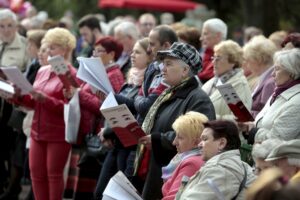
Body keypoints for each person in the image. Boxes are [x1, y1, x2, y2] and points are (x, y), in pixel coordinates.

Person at [137, 42, 216, 200]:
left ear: (185, 70)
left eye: (168, 64)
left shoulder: (198, 99)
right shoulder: (170, 92)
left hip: (173, 172)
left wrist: (159, 139)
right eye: (163, 64)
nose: (162, 69)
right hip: (156, 166)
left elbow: (199, 135)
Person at [11, 27, 80, 200]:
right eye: (47, 47)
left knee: (54, 176)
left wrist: (44, 99)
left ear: (64, 50)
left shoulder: (72, 73)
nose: (47, 51)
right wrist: (16, 97)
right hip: (37, 131)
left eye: (52, 47)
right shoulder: (42, 71)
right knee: (36, 175)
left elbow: (70, 107)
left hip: (58, 132)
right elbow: (33, 102)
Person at [94, 37, 152, 199]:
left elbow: (137, 112)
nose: (132, 55)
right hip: (116, 142)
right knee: (100, 192)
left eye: (138, 52)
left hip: (131, 147)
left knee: (119, 195)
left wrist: (108, 130)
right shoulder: (129, 80)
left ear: (149, 57)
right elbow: (116, 110)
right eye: (132, 51)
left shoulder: (149, 84)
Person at [176, 120, 255, 200]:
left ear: (221, 143)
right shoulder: (227, 166)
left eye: (205, 139)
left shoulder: (221, 170)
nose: (199, 145)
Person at [0, 8, 29, 196]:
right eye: (2, 26)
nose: (6, 30)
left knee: (12, 147)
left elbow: (27, 74)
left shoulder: (25, 45)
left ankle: (13, 185)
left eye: (10, 26)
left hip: (14, 105)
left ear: (16, 26)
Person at [244, 48, 300, 144]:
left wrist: (252, 132)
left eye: (277, 69)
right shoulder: (279, 92)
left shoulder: (297, 102)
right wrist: (248, 126)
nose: (272, 74)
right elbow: (263, 122)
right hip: (261, 153)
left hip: (277, 157)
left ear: (292, 72)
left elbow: (277, 139)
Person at [162, 111, 207, 200]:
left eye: (180, 137)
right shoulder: (195, 156)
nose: (174, 142)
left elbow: (174, 197)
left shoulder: (192, 163)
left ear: (196, 142)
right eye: (176, 136)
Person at [202, 40, 252, 120]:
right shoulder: (214, 81)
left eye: (218, 58)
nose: (213, 62)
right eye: (213, 58)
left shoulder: (237, 84)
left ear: (232, 61)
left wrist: (209, 118)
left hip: (218, 132)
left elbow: (241, 120)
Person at [243, 36, 277, 117]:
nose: (247, 65)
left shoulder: (270, 83)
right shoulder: (265, 78)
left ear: (258, 60)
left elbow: (265, 116)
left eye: (248, 60)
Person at [198, 18, 227, 83]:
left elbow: (203, 77)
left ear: (218, 35)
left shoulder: (226, 57)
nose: (201, 38)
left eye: (205, 34)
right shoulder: (206, 53)